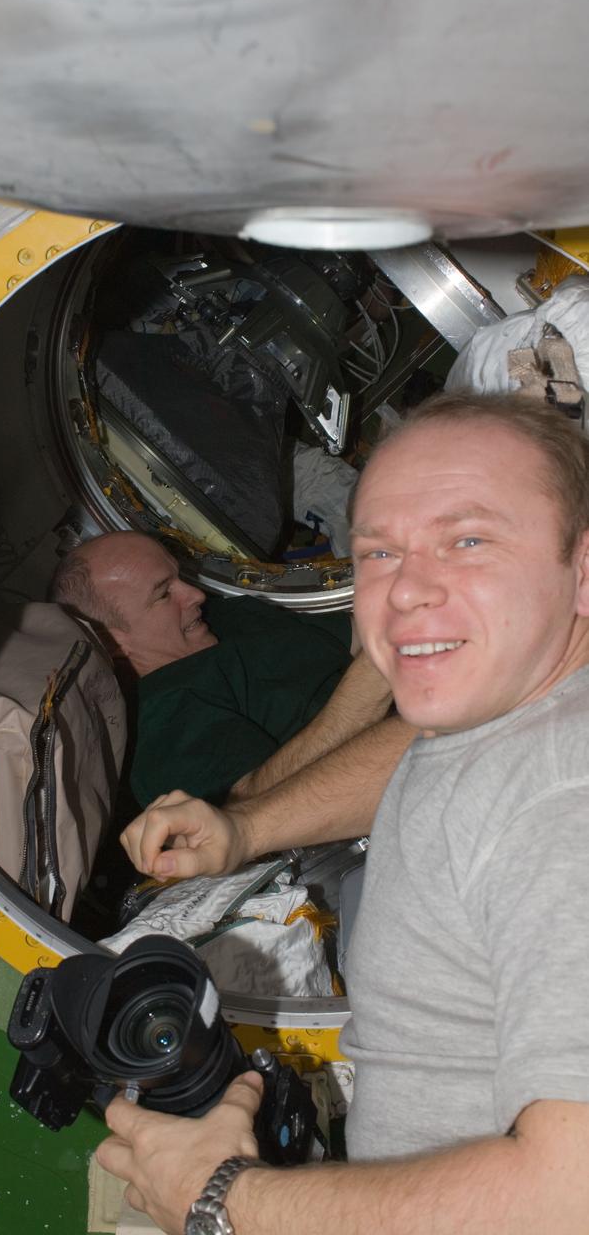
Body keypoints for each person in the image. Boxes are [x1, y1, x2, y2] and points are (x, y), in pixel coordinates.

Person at [97, 391, 589, 1234]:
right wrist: (244, 829)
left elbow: (568, 1196)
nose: (407, 592)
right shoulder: (507, 709)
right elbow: (420, 760)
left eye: (469, 541)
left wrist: (221, 1199)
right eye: (379, 553)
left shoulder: (562, 805)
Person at [52, 529, 414, 816]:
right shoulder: (163, 720)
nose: (195, 594)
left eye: (180, 578)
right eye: (164, 595)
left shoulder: (224, 619)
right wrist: (376, 673)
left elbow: (360, 633)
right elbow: (254, 806)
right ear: (112, 643)